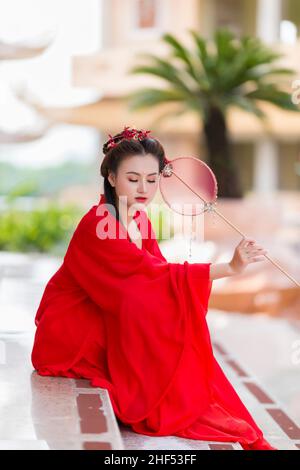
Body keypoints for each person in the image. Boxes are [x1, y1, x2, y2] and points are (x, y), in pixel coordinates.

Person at [31, 126, 276, 450]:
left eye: (152, 179)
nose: (144, 188)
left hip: (104, 313)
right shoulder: (99, 224)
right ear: (112, 178)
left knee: (161, 311)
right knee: (145, 305)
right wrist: (229, 269)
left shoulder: (140, 220)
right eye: (133, 179)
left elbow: (157, 277)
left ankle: (178, 392)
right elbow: (149, 279)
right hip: (71, 328)